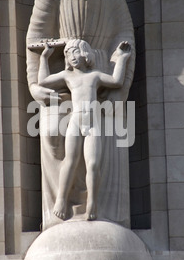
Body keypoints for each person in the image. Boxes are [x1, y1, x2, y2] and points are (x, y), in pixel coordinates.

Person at [26, 0, 136, 229]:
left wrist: (121, 86)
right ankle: (58, 210)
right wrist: (35, 85)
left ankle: (100, 210)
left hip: (100, 78)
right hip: (65, 81)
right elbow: (35, 37)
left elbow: (125, 33)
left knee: (103, 151)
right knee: (49, 133)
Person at [38, 39, 131, 221]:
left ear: (85, 54)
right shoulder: (67, 75)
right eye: (68, 53)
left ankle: (92, 203)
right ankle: (61, 200)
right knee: (70, 161)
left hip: (92, 124)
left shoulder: (94, 76)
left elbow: (116, 81)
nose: (72, 57)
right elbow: (43, 81)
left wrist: (122, 58)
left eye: (75, 52)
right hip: (75, 122)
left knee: (93, 164)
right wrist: (44, 57)